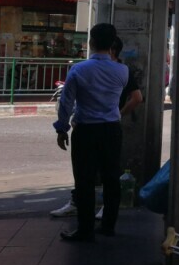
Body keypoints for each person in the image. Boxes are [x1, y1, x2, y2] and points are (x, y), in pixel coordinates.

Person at [51, 36, 143, 219]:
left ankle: (85, 226)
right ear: (111, 49)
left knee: (84, 177)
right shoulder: (123, 71)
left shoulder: (79, 69)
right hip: (111, 129)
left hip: (85, 129)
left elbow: (66, 103)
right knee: (111, 176)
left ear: (92, 44)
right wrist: (118, 114)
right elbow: (137, 97)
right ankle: (108, 223)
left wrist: (62, 128)